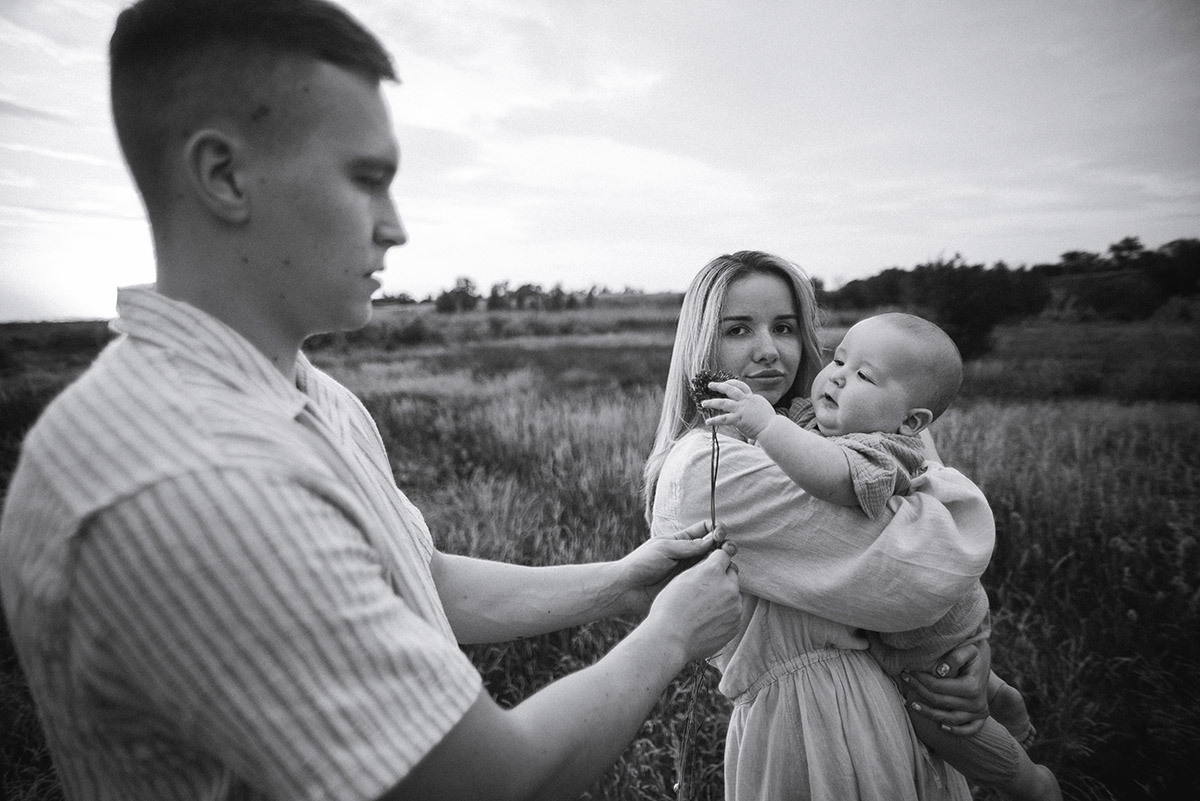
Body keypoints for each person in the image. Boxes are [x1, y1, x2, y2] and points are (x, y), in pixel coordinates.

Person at [0, 2, 742, 800]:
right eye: (365, 179)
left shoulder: (314, 396)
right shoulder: (188, 477)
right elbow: (491, 784)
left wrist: (626, 583)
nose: (395, 228)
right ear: (223, 175)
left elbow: (421, 582)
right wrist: (668, 635)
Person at [645, 251, 999, 800]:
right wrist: (961, 641)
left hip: (890, 706)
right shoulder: (709, 466)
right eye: (738, 329)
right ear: (699, 344)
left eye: (784, 327)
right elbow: (928, 569)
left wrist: (973, 658)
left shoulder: (814, 433)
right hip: (820, 729)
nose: (769, 350)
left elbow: (927, 519)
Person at [701, 311, 1061, 801]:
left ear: (911, 421)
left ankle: (1029, 782)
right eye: (840, 360)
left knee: (939, 718)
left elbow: (832, 475)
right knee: (967, 678)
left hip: (929, 632)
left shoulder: (885, 447)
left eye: (864, 377)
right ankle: (1001, 696)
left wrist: (764, 425)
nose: (839, 377)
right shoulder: (822, 415)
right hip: (923, 621)